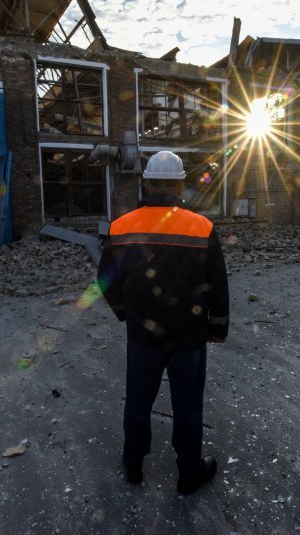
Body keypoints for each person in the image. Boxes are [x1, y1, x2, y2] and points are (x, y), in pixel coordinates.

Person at [97, 150, 230, 495]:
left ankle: (133, 464)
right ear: (181, 184)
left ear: (146, 182)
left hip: (143, 335)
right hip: (189, 337)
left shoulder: (122, 226)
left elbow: (106, 281)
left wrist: (125, 312)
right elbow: (218, 283)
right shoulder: (202, 227)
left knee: (138, 399)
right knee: (187, 405)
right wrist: (218, 326)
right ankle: (188, 473)